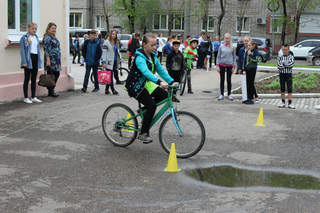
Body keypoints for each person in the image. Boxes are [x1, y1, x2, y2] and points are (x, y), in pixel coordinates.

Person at [125, 33, 178, 143]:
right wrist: (160, 83)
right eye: (152, 45)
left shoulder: (153, 56)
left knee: (166, 95)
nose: (155, 47)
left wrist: (171, 81)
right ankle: (143, 133)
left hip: (146, 84)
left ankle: (144, 111)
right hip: (136, 86)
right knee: (152, 105)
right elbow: (146, 72)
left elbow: (161, 70)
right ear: (144, 44)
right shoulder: (140, 57)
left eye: (156, 45)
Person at [20, 22, 42, 103]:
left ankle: (33, 96)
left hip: (35, 58)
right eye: (33, 29)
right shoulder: (24, 38)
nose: (34, 30)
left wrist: (39, 60)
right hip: (29, 59)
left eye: (35, 29)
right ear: (29, 28)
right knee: (27, 78)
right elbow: (22, 51)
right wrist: (24, 61)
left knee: (34, 78)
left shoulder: (36, 37)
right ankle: (26, 97)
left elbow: (38, 50)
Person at [238, 36, 260, 102]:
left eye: (249, 45)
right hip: (247, 69)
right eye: (245, 42)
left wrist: (250, 55)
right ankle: (247, 97)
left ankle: (251, 97)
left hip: (252, 69)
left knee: (251, 83)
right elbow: (244, 61)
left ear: (253, 45)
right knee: (247, 83)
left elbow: (255, 60)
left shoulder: (255, 51)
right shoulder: (246, 51)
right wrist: (243, 69)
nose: (248, 45)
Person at [43, 22, 61, 97]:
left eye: (55, 28)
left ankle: (51, 89)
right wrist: (48, 60)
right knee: (51, 75)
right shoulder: (47, 38)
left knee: (56, 74)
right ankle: (51, 90)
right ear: (48, 29)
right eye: (52, 28)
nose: (54, 30)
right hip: (51, 59)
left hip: (56, 59)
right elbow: (46, 50)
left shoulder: (54, 37)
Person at [216, 33, 236, 101]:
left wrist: (234, 66)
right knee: (222, 79)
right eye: (225, 38)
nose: (226, 40)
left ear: (230, 39)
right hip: (222, 65)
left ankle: (229, 94)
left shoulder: (233, 47)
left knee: (229, 80)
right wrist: (217, 65)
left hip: (230, 65)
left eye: (228, 38)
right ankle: (221, 94)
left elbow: (234, 57)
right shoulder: (221, 46)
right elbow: (218, 56)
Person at [102, 29, 122, 95]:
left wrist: (119, 62)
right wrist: (104, 62)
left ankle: (106, 90)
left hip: (115, 61)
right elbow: (104, 53)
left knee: (109, 76)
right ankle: (113, 90)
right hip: (109, 62)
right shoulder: (106, 42)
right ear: (110, 34)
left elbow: (118, 52)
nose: (114, 35)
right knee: (110, 76)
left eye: (115, 34)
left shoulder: (116, 42)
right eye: (113, 34)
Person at [277, 44, 295, 109]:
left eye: (286, 50)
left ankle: (290, 102)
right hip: (282, 74)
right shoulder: (280, 57)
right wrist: (285, 65)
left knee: (289, 88)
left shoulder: (291, 57)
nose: (284, 51)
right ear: (282, 50)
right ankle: (283, 102)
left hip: (288, 74)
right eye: (283, 50)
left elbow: (291, 65)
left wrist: (284, 64)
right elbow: (279, 66)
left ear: (288, 50)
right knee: (282, 88)